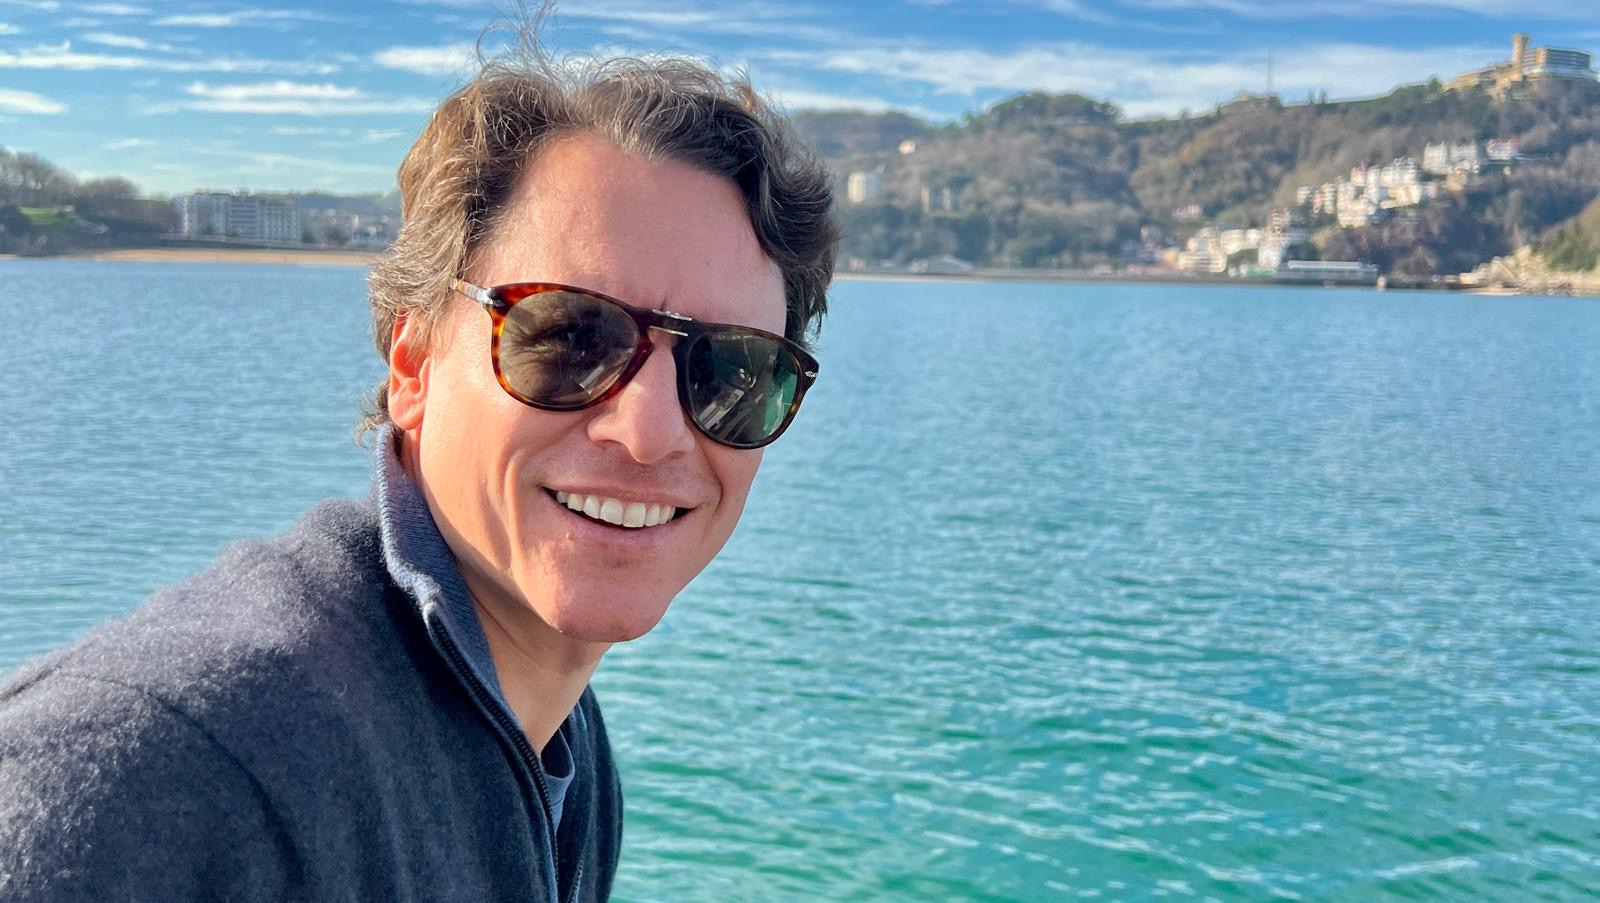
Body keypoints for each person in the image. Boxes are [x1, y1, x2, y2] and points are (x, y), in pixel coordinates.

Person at [0, 29, 839, 902]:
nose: (651, 432)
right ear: (414, 365)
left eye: (734, 371)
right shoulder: (163, 776)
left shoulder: (565, 755)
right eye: (570, 337)